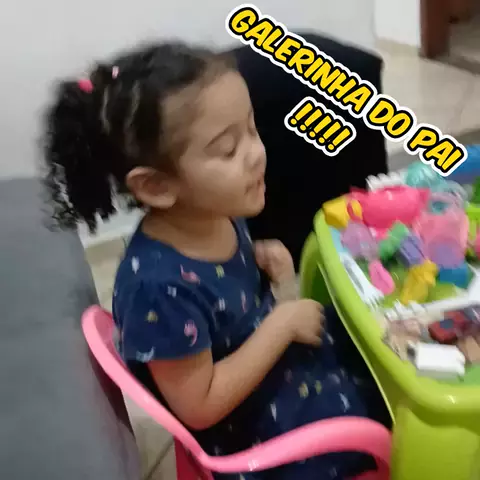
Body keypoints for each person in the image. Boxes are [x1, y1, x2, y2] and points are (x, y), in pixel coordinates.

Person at [42, 41, 389, 480]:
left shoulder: (215, 216)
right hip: (257, 438)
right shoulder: (158, 288)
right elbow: (199, 405)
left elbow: (236, 317)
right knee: (396, 413)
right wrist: (281, 326)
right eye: (227, 149)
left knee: (376, 339)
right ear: (156, 187)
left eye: (252, 129)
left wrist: (274, 280)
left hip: (275, 378)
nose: (256, 153)